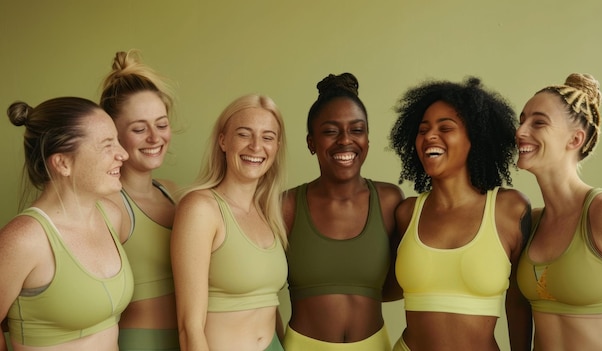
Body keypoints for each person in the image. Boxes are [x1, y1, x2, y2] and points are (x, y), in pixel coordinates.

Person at [388, 77, 532, 351]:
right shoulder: (407, 213)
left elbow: (519, 300)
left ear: (474, 139)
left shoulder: (509, 209)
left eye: (445, 128)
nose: (430, 136)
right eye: (423, 130)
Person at [282, 73, 404, 351]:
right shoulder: (286, 205)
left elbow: (406, 279)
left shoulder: (389, 200)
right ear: (311, 142)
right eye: (330, 131)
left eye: (357, 130)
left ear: (368, 140)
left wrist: (360, 289)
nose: (345, 140)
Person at [0, 97, 132, 351]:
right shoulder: (24, 239)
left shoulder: (111, 216)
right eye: (107, 145)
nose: (123, 153)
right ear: (62, 163)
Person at [516, 73, 602, 350]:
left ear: (575, 139)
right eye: (522, 120)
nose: (520, 131)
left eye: (538, 122)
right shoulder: (531, 222)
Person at [171, 94, 288, 351]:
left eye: (267, 137)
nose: (256, 147)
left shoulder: (268, 213)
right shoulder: (201, 209)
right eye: (244, 134)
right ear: (223, 140)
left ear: (277, 146)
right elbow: (189, 326)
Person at [100, 49, 180, 351]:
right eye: (138, 128)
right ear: (113, 133)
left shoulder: (176, 193)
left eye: (161, 125)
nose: (154, 137)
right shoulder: (108, 205)